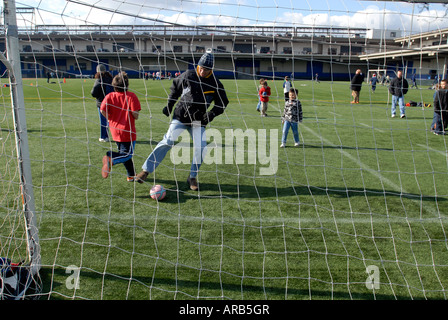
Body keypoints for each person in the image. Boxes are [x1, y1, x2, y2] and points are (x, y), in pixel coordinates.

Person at [135, 51, 229, 191]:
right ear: (198, 66)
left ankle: (192, 176)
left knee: (201, 147)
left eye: (206, 69)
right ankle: (146, 171)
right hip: (181, 116)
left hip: (198, 120)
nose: (203, 71)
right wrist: (169, 105)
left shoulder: (215, 83)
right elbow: (175, 89)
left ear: (211, 70)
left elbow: (223, 102)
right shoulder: (188, 75)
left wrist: (212, 114)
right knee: (168, 141)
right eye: (201, 68)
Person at [100, 72, 141, 181]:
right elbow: (135, 115)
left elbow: (102, 109)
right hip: (128, 131)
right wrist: (133, 113)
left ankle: (131, 175)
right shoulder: (131, 96)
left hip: (114, 130)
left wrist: (109, 118)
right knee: (127, 155)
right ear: (127, 85)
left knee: (123, 154)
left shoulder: (109, 96)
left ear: (113, 85)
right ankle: (110, 158)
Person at [91, 64, 113, 142]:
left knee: (103, 120)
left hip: (102, 103)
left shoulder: (99, 80)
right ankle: (113, 135)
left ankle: (104, 136)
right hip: (111, 102)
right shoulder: (111, 79)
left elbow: (93, 93)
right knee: (110, 120)